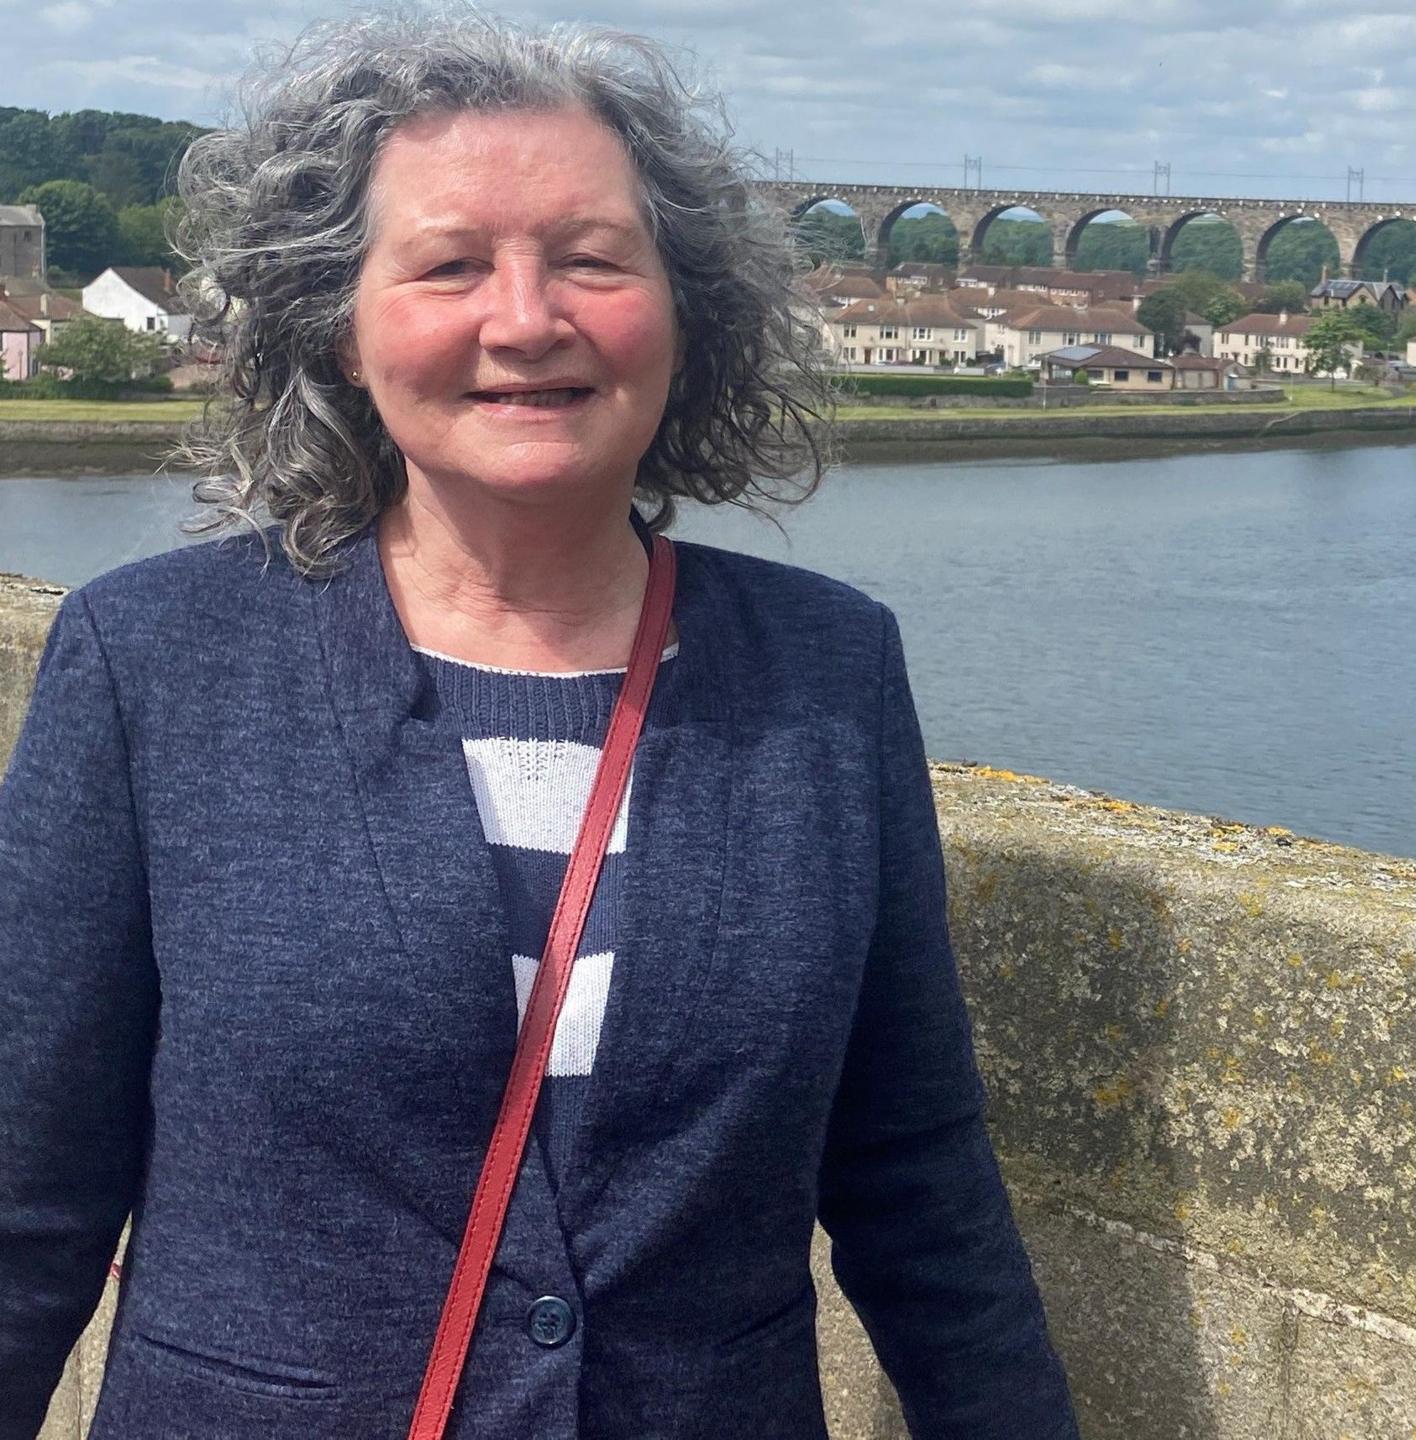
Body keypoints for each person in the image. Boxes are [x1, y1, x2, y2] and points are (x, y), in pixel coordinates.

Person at [0, 11, 1077, 1438]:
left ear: (684, 307)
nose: (526, 319)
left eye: (590, 258)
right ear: (341, 318)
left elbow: (917, 1178)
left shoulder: (829, 666)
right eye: (449, 264)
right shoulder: (154, 660)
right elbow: (27, 1192)